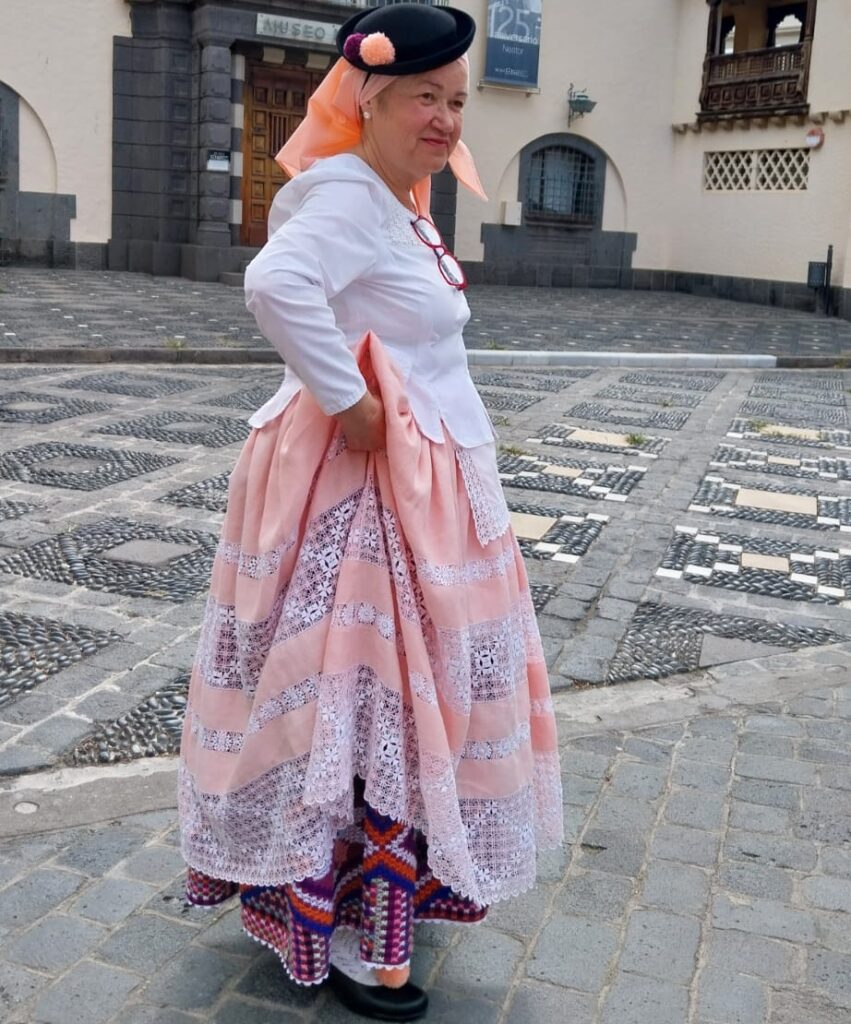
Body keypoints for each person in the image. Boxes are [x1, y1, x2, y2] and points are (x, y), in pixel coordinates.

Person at [178, 5, 563, 1021]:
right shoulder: (351, 193)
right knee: (360, 705)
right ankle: (349, 924)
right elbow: (276, 284)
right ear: (370, 104)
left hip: (416, 490)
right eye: (422, 98)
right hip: (364, 504)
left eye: (455, 101)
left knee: (385, 704)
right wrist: (349, 402)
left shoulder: (398, 199)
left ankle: (369, 897)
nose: (444, 119)